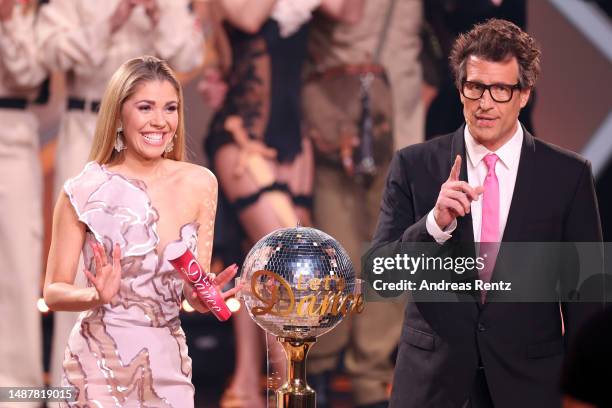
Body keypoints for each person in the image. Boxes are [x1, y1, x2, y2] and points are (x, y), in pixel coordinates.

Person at [372, 19, 603, 408]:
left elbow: (587, 299)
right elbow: (381, 277)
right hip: (433, 386)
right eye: (475, 87)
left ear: (524, 94)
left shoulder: (568, 175)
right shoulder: (415, 166)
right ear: (461, 89)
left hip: (530, 385)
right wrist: (433, 225)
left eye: (500, 89)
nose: (484, 103)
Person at [43, 56, 239, 407]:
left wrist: (202, 298)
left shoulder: (200, 183)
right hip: (97, 362)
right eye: (145, 107)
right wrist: (95, 296)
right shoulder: (84, 189)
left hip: (168, 362)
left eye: (170, 108)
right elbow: (53, 291)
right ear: (119, 115)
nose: (160, 122)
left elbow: (189, 288)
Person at [35, 0, 204, 388]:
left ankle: (149, 378)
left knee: (149, 268)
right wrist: (113, 19)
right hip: (87, 124)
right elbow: (50, 54)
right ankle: (75, 386)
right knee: (86, 269)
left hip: (151, 137)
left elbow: (188, 53)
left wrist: (160, 16)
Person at [199, 1, 359, 407]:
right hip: (243, 140)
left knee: (261, 268)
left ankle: (248, 390)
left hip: (292, 145)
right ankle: (289, 389)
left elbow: (350, 12)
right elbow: (249, 17)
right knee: (285, 267)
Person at [301, 1, 421, 406]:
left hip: (400, 112)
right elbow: (343, 13)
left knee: (389, 253)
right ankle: (318, 364)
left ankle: (371, 377)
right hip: (335, 112)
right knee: (335, 250)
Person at [0, 0, 47, 398]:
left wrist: (8, 20)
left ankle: (15, 391)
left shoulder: (29, 9)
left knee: (17, 261)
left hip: (10, 133)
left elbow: (30, 76)